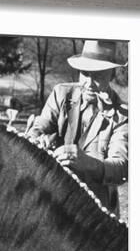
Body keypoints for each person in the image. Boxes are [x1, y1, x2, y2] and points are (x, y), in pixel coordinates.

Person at [27, 39, 128, 215]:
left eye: (98, 76)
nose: (89, 83)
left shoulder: (122, 114)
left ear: (111, 75)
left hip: (96, 211)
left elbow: (121, 168)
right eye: (85, 74)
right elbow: (38, 128)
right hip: (54, 200)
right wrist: (37, 140)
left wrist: (87, 163)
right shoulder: (61, 94)